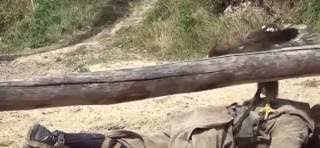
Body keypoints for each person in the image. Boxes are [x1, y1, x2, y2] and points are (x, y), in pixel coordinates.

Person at [23, 98, 318, 148]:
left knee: (137, 144)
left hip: (200, 120)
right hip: (209, 137)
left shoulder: (288, 108)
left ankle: (56, 139)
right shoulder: (297, 123)